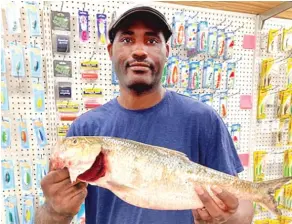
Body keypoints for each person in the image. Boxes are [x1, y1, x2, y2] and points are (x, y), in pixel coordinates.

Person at [36, 4, 254, 224]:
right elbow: (46, 218)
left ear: (166, 52)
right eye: (127, 40)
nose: (139, 50)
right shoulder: (85, 129)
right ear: (111, 51)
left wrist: (225, 219)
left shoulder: (203, 119)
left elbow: (243, 206)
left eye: (151, 41)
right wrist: (56, 212)